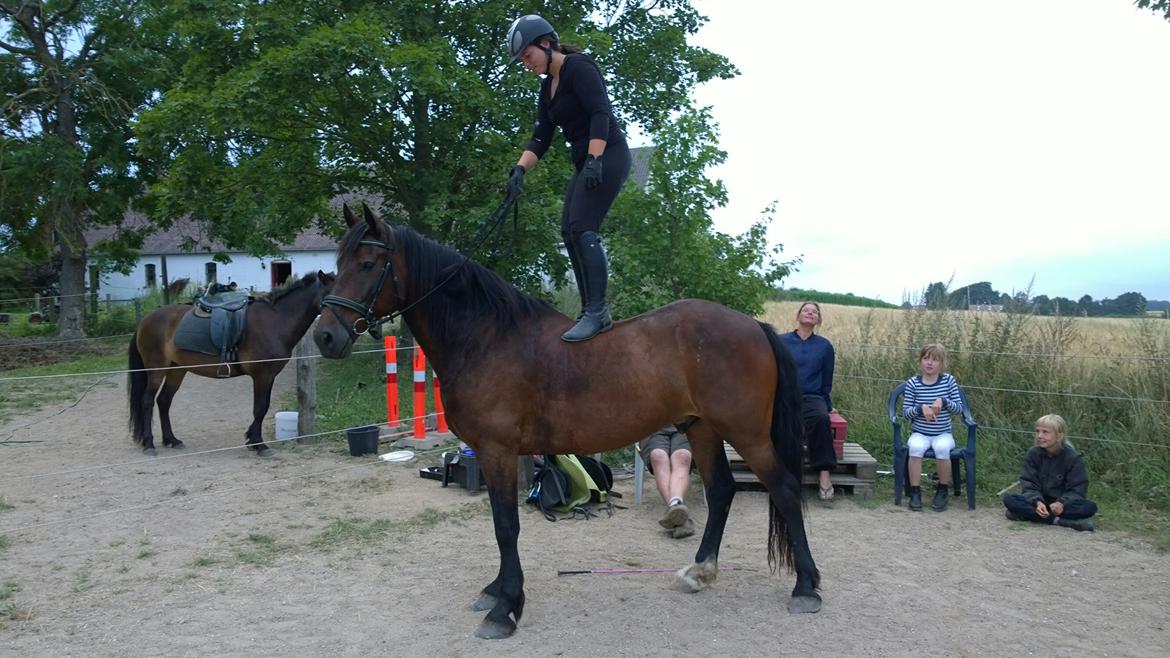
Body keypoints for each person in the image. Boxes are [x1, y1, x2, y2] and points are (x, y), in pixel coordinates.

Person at [504, 14, 632, 342]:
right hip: (587, 161)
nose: (526, 63)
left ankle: (597, 311)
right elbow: (541, 137)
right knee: (568, 229)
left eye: (527, 56)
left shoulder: (579, 68)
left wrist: (595, 158)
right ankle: (590, 309)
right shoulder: (548, 88)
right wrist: (519, 169)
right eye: (521, 61)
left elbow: (601, 112)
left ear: (545, 44)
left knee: (582, 227)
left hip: (608, 155)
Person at [778, 302, 838, 501]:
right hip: (786, 396)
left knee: (821, 419)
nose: (810, 313)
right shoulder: (781, 341)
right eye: (806, 310)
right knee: (780, 424)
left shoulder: (824, 346)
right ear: (798, 316)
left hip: (813, 397)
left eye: (814, 312)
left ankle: (824, 475)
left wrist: (827, 405)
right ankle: (783, 478)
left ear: (818, 320)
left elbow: (827, 379)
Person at [1003, 414, 1097, 532]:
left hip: (1062, 505)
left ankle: (1027, 515)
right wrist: (1037, 501)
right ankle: (1060, 521)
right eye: (1037, 431)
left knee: (1090, 507)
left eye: (1045, 432)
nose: (1040, 436)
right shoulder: (1033, 454)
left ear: (1059, 436)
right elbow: (1028, 482)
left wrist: (1061, 503)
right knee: (1010, 499)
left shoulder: (1073, 458)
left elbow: (1078, 489)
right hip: (1038, 502)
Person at [901, 343, 965, 512]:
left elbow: (959, 409)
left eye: (935, 360)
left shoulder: (949, 381)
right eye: (926, 358)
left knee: (942, 448)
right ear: (920, 361)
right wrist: (920, 408)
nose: (930, 363)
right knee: (914, 447)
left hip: (942, 433)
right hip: (920, 432)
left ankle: (942, 489)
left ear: (941, 364)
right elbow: (906, 413)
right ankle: (915, 491)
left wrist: (944, 402)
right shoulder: (913, 384)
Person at [638, 425, 695, 538]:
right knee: (658, 456)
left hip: (685, 425)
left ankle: (674, 510)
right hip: (653, 426)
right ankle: (677, 509)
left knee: (683, 457)